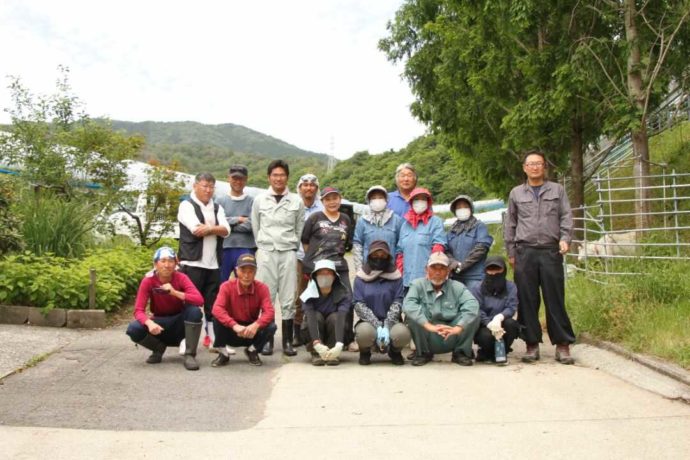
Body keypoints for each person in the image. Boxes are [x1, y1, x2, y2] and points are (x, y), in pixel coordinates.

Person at [504, 150, 576, 364]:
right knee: (526, 299)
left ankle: (562, 344)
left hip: (550, 250)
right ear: (524, 168)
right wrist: (511, 252)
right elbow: (510, 223)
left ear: (544, 167)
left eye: (539, 164)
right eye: (531, 164)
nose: (535, 167)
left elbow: (566, 216)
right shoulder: (516, 193)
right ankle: (531, 344)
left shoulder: (557, 190)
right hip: (524, 251)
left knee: (555, 298)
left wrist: (565, 238)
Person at [251, 159, 305, 357]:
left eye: (282, 175)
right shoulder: (259, 200)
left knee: (289, 297)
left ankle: (288, 342)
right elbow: (256, 226)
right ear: (269, 177)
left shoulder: (296, 201)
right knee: (266, 296)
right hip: (266, 252)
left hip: (288, 252)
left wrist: (291, 246)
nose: (278, 178)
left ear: (287, 177)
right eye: (275, 175)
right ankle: (267, 341)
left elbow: (299, 228)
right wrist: (263, 246)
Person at [126, 246, 205, 371]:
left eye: (170, 261)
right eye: (163, 261)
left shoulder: (181, 277)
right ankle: (158, 348)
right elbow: (138, 310)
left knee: (194, 311)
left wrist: (174, 292)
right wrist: (149, 323)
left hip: (180, 322)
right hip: (159, 323)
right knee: (133, 328)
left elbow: (199, 300)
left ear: (175, 264)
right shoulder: (148, 281)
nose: (167, 265)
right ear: (155, 264)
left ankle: (189, 354)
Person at [177, 172, 230, 351]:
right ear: (195, 186)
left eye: (211, 187)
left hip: (213, 263)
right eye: (204, 186)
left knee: (213, 305)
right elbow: (195, 230)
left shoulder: (217, 208)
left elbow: (227, 230)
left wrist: (210, 228)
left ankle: (215, 341)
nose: (208, 190)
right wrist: (215, 228)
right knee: (190, 305)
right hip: (191, 263)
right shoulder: (186, 205)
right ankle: (185, 341)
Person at [403, 252, 480, 366]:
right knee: (411, 315)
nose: (437, 272)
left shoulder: (457, 287)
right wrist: (429, 326)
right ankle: (423, 353)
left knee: (474, 314)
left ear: (448, 271)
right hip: (428, 333)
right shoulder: (417, 285)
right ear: (426, 269)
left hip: (452, 334)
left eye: (442, 268)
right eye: (433, 268)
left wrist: (458, 327)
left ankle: (461, 353)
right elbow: (408, 304)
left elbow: (472, 304)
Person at [210, 253, 277, 367]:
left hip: (251, 331)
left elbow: (269, 311)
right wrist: (234, 325)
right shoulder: (226, 286)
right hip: (232, 330)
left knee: (271, 325)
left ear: (255, 272)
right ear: (236, 271)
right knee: (217, 317)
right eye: (243, 270)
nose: (246, 275)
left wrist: (256, 325)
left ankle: (252, 350)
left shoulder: (262, 288)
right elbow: (217, 308)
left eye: (250, 271)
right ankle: (223, 353)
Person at [353, 240, 410, 365]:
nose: (379, 258)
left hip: (392, 321)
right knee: (364, 334)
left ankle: (395, 352)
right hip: (368, 322)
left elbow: (398, 302)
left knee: (403, 333)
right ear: (369, 256)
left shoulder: (396, 277)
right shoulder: (360, 278)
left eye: (383, 255)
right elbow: (359, 305)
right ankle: (365, 351)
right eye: (375, 255)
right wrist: (378, 326)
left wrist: (387, 326)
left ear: (388, 257)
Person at [299, 259, 352, 366]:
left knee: (335, 317)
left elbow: (341, 317)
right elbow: (310, 317)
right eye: (321, 272)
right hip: (316, 329)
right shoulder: (307, 295)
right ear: (315, 276)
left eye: (328, 272)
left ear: (334, 276)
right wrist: (316, 343)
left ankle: (333, 352)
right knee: (315, 316)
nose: (325, 275)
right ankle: (316, 353)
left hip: (334, 330)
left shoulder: (344, 293)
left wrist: (339, 344)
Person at [301, 186, 352, 292]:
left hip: (339, 265)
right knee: (321, 300)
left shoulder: (345, 218)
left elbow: (345, 241)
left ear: (340, 199)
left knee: (347, 297)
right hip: (318, 267)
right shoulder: (314, 218)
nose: (332, 202)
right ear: (322, 201)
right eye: (327, 199)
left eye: (335, 198)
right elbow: (305, 241)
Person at [470, 256, 519, 364]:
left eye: (497, 269)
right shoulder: (476, 288)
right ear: (485, 271)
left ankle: (503, 351)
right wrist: (489, 323)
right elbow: (476, 308)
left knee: (512, 324)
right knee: (485, 336)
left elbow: (511, 307)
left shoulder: (511, 287)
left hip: (503, 322)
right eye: (490, 269)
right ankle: (486, 352)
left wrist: (499, 317)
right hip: (484, 325)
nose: (494, 273)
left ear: (504, 270)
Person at [396, 187, 447, 291]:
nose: (420, 202)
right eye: (416, 199)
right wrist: (400, 273)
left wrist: (433, 271)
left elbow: (438, 247)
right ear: (411, 203)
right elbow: (400, 252)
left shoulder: (435, 222)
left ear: (428, 202)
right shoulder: (405, 224)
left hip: (428, 280)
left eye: (423, 199)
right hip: (407, 280)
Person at [293, 173, 323, 347]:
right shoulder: (295, 205)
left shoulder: (322, 207)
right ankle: (296, 332)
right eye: (305, 185)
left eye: (312, 185)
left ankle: (315, 332)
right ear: (300, 187)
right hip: (299, 257)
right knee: (299, 295)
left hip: (319, 257)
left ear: (316, 188)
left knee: (319, 294)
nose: (309, 188)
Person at [216, 164, 257, 283]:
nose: (238, 182)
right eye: (235, 178)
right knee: (220, 283)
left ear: (246, 180)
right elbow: (218, 222)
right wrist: (238, 219)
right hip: (224, 247)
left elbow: (250, 225)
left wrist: (227, 225)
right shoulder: (220, 200)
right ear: (228, 178)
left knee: (246, 284)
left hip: (246, 248)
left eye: (241, 179)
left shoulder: (252, 201)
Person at [446, 195, 493, 290]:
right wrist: (453, 263)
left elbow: (481, 248)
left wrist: (463, 265)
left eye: (465, 206)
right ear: (454, 211)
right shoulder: (451, 230)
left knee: (474, 302)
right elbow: (445, 250)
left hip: (475, 277)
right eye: (458, 207)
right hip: (455, 276)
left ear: (471, 208)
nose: (462, 209)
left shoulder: (479, 226)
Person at [352, 185, 403, 273]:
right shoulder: (362, 221)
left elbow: (401, 246)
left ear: (386, 199)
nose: (377, 200)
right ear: (369, 201)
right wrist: (359, 269)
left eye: (380, 197)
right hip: (369, 269)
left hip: (391, 269)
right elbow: (357, 244)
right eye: (374, 198)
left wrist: (398, 269)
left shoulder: (396, 219)